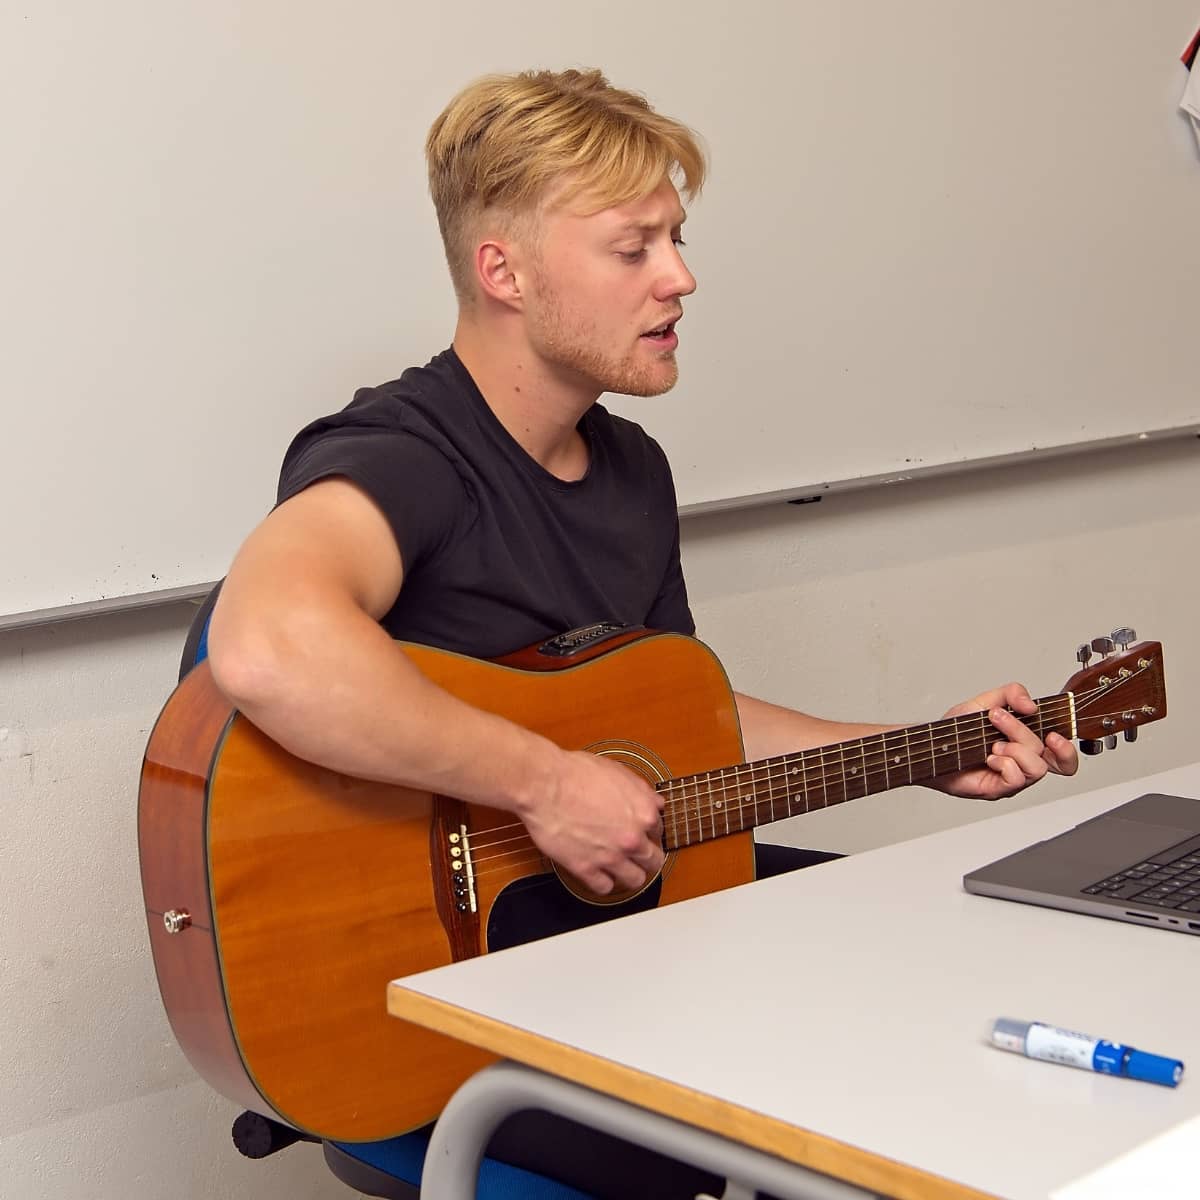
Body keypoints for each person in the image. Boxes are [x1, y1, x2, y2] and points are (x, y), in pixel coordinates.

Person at [206, 67, 1078, 1199]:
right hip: (459, 985)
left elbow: (680, 729)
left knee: (938, 950)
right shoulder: (408, 454)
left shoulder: (629, 468)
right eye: (634, 248)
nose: (682, 277)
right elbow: (265, 645)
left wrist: (920, 743)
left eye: (676, 238)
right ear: (503, 271)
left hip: (623, 935)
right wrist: (543, 783)